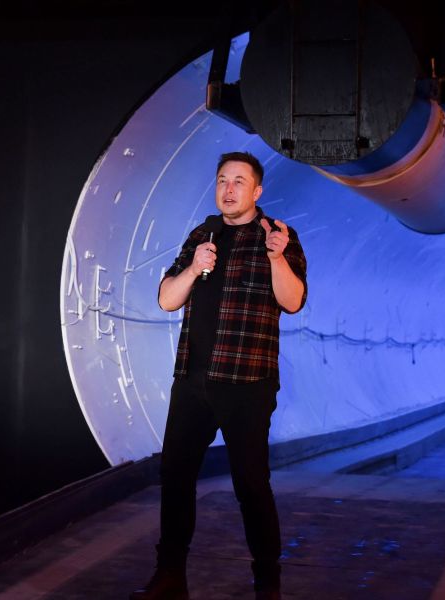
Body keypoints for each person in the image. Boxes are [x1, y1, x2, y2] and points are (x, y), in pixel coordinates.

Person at [131, 152, 307, 600]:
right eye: (222, 180)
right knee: (175, 474)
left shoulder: (278, 237)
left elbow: (293, 301)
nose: (229, 189)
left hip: (247, 383)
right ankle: (170, 576)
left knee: (250, 483)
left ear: (257, 191)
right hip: (193, 380)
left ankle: (267, 582)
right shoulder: (201, 235)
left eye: (239, 182)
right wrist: (194, 266)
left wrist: (277, 259)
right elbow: (167, 300)